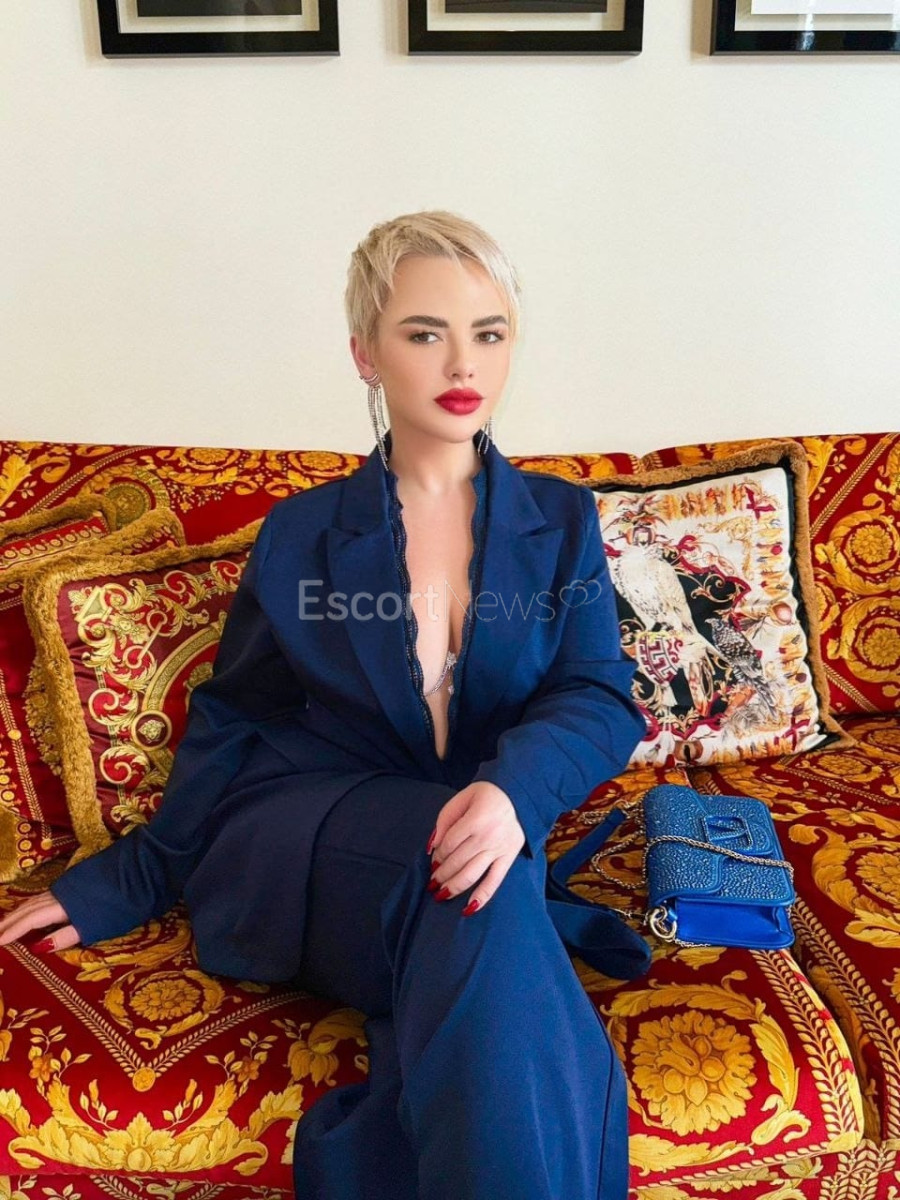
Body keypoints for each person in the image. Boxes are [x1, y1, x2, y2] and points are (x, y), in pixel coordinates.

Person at [0, 210, 649, 1199]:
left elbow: (598, 694)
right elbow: (237, 716)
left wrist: (514, 792)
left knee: (482, 876)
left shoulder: (560, 522)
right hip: (308, 835)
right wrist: (134, 875)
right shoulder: (301, 534)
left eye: (489, 332)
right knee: (470, 870)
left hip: (466, 848)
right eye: (424, 333)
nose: (462, 363)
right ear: (365, 354)